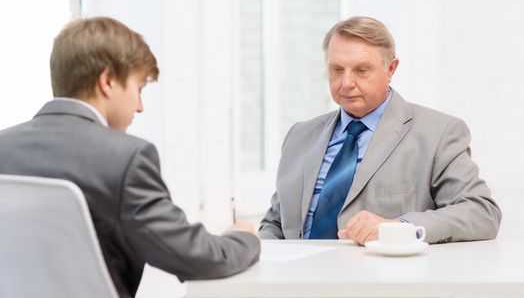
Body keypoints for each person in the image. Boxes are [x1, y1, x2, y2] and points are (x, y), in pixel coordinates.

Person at [0, 17, 260, 298]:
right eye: (138, 89)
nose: (140, 107)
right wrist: (243, 236)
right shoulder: (126, 158)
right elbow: (198, 258)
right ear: (108, 81)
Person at [259, 16, 502, 245]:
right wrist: (248, 244)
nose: (346, 83)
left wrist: (399, 228)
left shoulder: (438, 133)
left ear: (391, 69)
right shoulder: (299, 136)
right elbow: (276, 224)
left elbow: (482, 212)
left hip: (380, 282)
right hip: (295, 283)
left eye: (361, 70)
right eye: (336, 69)